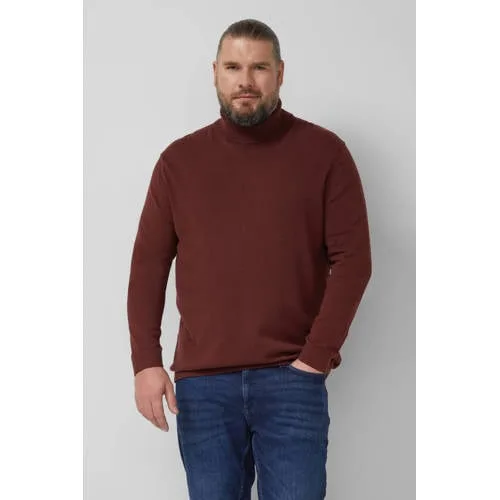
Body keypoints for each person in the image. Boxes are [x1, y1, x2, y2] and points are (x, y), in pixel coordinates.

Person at [127, 18, 372, 500]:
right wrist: (145, 363)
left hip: (292, 380)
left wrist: (314, 359)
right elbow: (148, 266)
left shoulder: (325, 153)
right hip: (203, 388)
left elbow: (353, 261)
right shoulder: (178, 162)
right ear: (215, 73)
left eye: (259, 67)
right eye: (233, 67)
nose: (246, 80)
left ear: (280, 73)